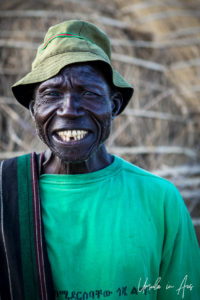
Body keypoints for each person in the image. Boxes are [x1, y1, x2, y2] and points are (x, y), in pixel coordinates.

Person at [0, 20, 199, 300]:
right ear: (34, 110)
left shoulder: (160, 199)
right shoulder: (5, 194)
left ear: (114, 105)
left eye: (89, 93)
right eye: (52, 94)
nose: (69, 110)